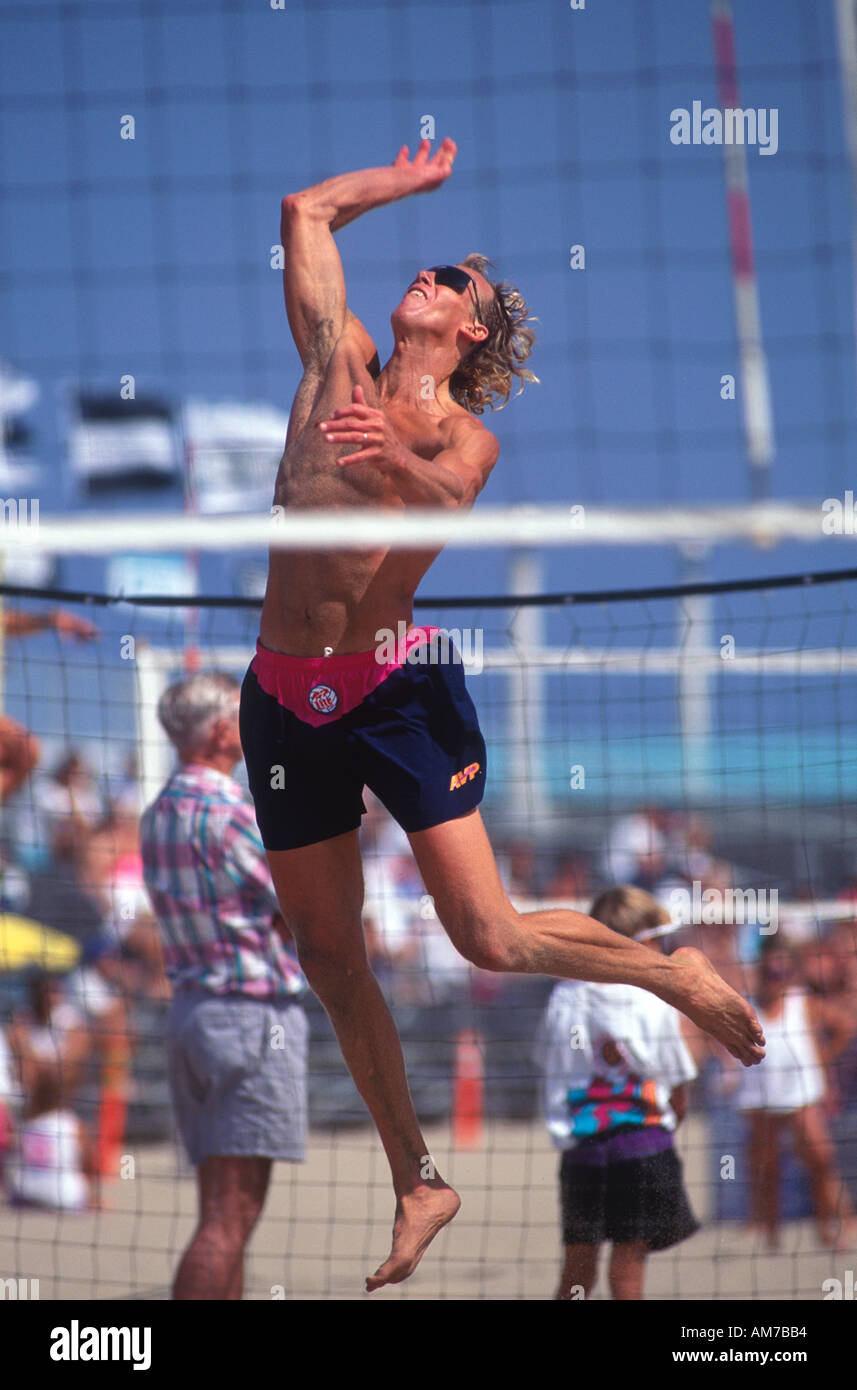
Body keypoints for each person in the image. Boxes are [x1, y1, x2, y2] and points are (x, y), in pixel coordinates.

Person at [238, 136, 765, 1293]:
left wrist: (392, 458)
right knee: (329, 955)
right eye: (425, 269)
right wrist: (402, 185)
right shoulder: (336, 359)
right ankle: (419, 1177)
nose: (426, 278)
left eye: (451, 282)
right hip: (281, 695)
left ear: (468, 330)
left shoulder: (458, 436)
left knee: (487, 936)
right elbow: (303, 208)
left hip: (391, 688)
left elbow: (447, 497)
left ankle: (662, 970)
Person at [140, 671, 308, 1301]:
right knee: (229, 1219)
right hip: (248, 1019)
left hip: (191, 1013)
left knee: (219, 1211)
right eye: (239, 716)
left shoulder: (157, 813)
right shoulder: (232, 811)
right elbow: (299, 909)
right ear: (218, 732)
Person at [535, 886, 699, 1300]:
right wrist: (672, 1118)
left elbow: (549, 1066)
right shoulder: (654, 997)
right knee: (628, 1273)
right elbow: (679, 1079)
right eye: (660, 940)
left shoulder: (564, 997)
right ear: (643, 944)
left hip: (583, 1151)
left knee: (576, 1273)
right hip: (644, 1147)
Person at [733, 937, 857, 1250]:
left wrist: (821, 1059)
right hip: (759, 1098)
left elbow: (845, 1025)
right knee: (766, 1169)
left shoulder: (803, 1002)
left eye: (780, 972)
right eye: (769, 972)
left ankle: (835, 1225)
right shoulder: (746, 1003)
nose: (775, 977)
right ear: (760, 970)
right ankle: (769, 1233)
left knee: (821, 1160)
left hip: (801, 1095)